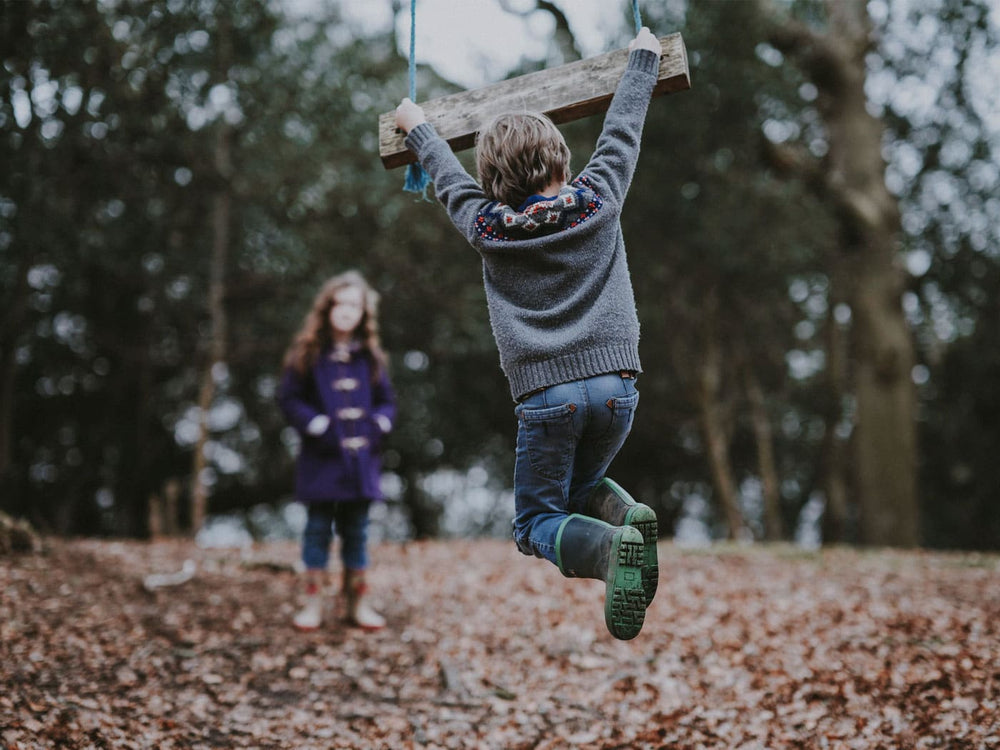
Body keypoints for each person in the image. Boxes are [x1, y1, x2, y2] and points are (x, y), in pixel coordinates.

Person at [394, 28, 663, 640]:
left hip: (548, 397)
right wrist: (642, 56)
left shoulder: (488, 226)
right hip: (618, 388)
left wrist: (418, 126)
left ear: (495, 180)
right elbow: (623, 129)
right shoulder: (600, 199)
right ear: (563, 159)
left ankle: (609, 552)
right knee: (583, 487)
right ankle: (628, 518)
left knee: (536, 521)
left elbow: (446, 178)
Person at [277, 270, 396, 632]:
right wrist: (317, 425)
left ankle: (356, 604)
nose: (346, 311)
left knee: (357, 532)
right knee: (316, 530)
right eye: (340, 303)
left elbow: (387, 402)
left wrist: (378, 425)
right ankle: (312, 604)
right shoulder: (307, 353)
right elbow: (288, 398)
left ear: (364, 313)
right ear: (327, 308)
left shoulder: (371, 357)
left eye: (354, 305)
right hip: (321, 462)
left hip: (361, 464)